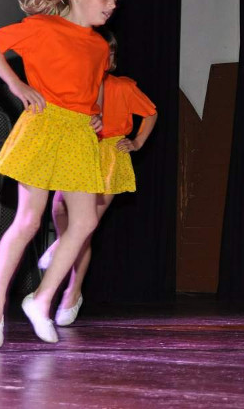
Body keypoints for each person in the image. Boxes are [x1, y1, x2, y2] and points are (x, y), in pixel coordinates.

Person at [0, 0, 118, 347]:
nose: (111, 5)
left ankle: (41, 300)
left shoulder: (98, 45)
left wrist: (94, 114)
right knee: (28, 220)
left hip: (78, 134)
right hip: (45, 124)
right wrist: (16, 85)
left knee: (85, 222)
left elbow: (91, 88)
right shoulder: (43, 27)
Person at [38, 33, 158, 326]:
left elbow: (151, 112)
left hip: (110, 155)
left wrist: (137, 142)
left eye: (108, 54)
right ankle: (60, 247)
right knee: (59, 208)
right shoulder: (76, 86)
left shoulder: (123, 86)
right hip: (81, 150)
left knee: (86, 227)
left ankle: (73, 293)